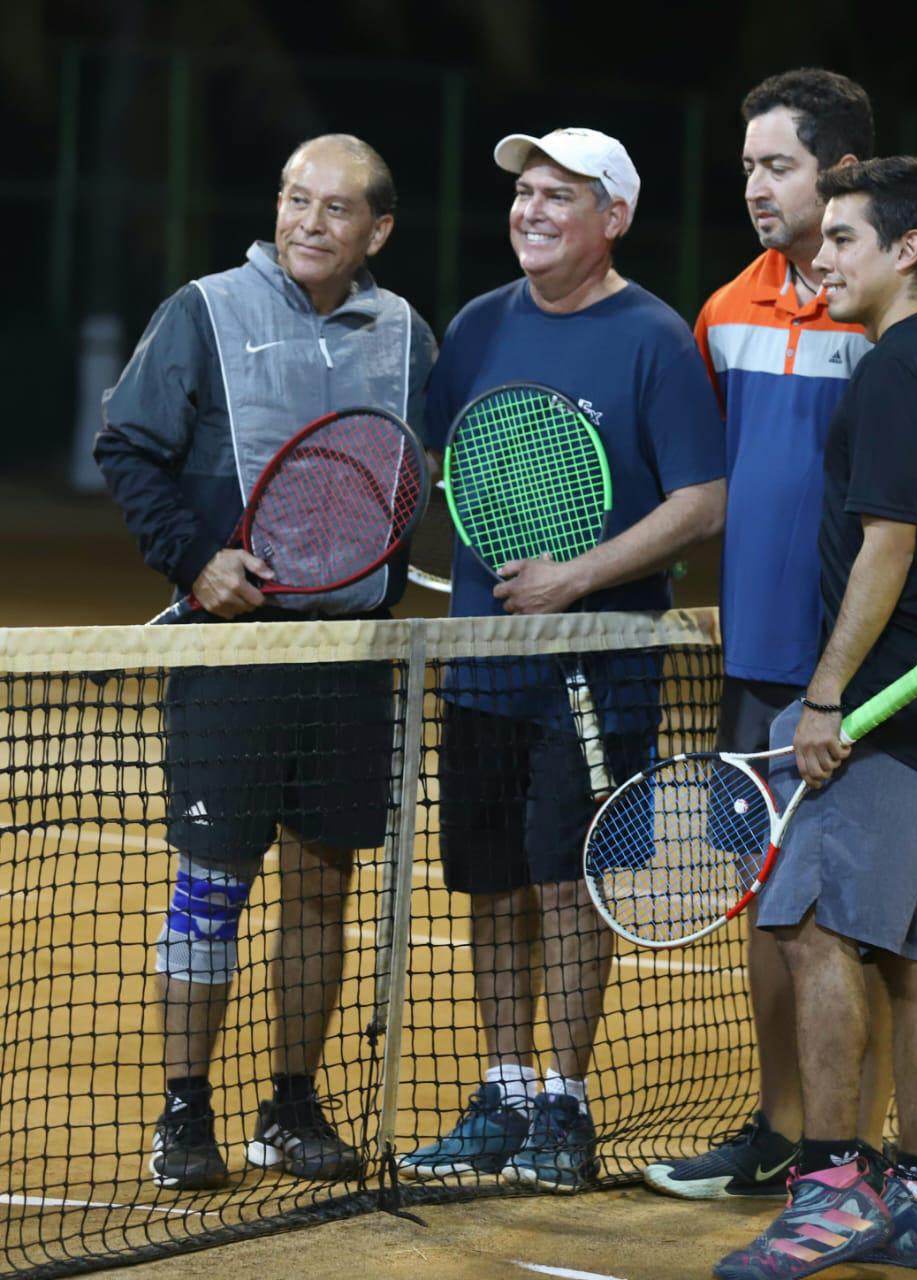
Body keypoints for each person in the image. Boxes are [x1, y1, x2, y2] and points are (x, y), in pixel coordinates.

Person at [644, 68, 917, 1203]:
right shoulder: (723, 311)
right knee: (775, 912)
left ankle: (854, 1156)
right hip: (761, 655)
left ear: (838, 175)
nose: (753, 186)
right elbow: (703, 474)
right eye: (745, 165)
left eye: (776, 166)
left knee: (855, 927)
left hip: (861, 666)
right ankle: (782, 1129)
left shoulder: (911, 308)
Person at [95, 134, 436, 1191]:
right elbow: (127, 446)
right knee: (210, 888)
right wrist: (194, 559)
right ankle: (184, 1111)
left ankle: (290, 1107)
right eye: (295, 199)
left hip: (349, 658)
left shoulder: (407, 335)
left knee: (322, 891)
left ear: (377, 229)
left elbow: (408, 475)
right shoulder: (204, 310)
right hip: (234, 652)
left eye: (335, 208)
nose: (307, 222)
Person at [396, 127, 726, 1192]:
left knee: (566, 883)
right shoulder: (479, 325)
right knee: (494, 881)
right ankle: (503, 1092)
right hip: (487, 660)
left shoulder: (653, 337)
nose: (529, 210)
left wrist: (575, 576)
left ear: (612, 218)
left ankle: (565, 1104)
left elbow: (702, 501)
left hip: (602, 667)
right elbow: (448, 461)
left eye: (559, 196)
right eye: (524, 192)